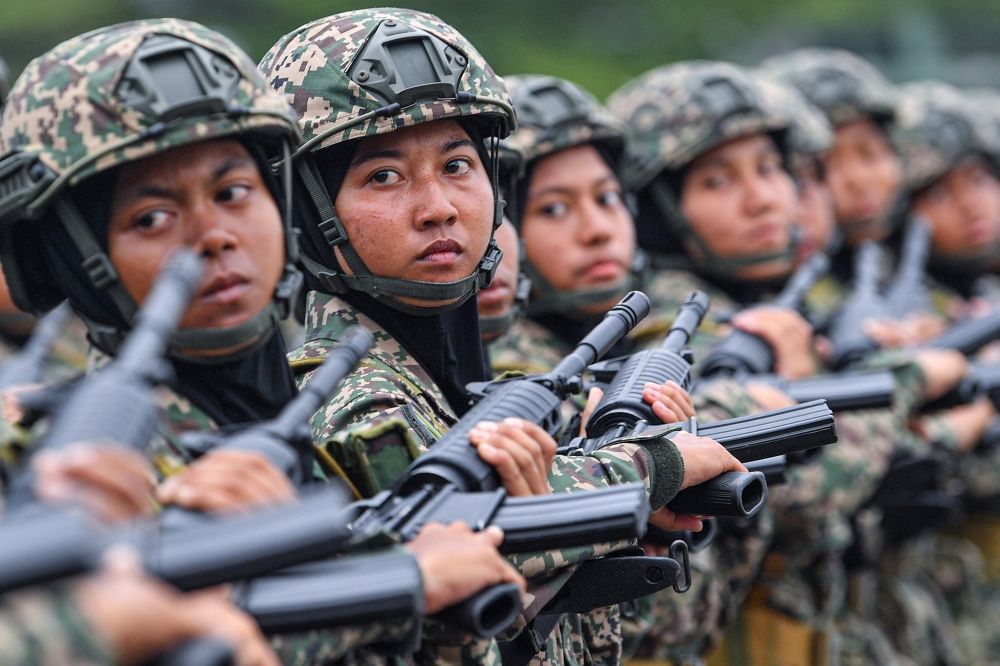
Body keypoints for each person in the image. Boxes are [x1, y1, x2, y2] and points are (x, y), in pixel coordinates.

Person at [0, 18, 527, 664]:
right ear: (72, 258)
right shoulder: (65, 477)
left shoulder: (292, 428)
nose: (213, 235)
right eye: (152, 217)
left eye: (233, 191)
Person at [261, 9, 747, 666]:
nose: (439, 206)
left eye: (458, 165)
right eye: (383, 176)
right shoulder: (348, 397)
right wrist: (647, 469)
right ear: (310, 215)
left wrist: (633, 536)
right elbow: (447, 535)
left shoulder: (463, 386)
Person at [607, 59, 968, 666]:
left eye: (772, 169)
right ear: (658, 209)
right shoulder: (671, 330)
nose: (762, 199)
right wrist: (905, 380)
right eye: (718, 182)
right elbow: (805, 493)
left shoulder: (764, 305)